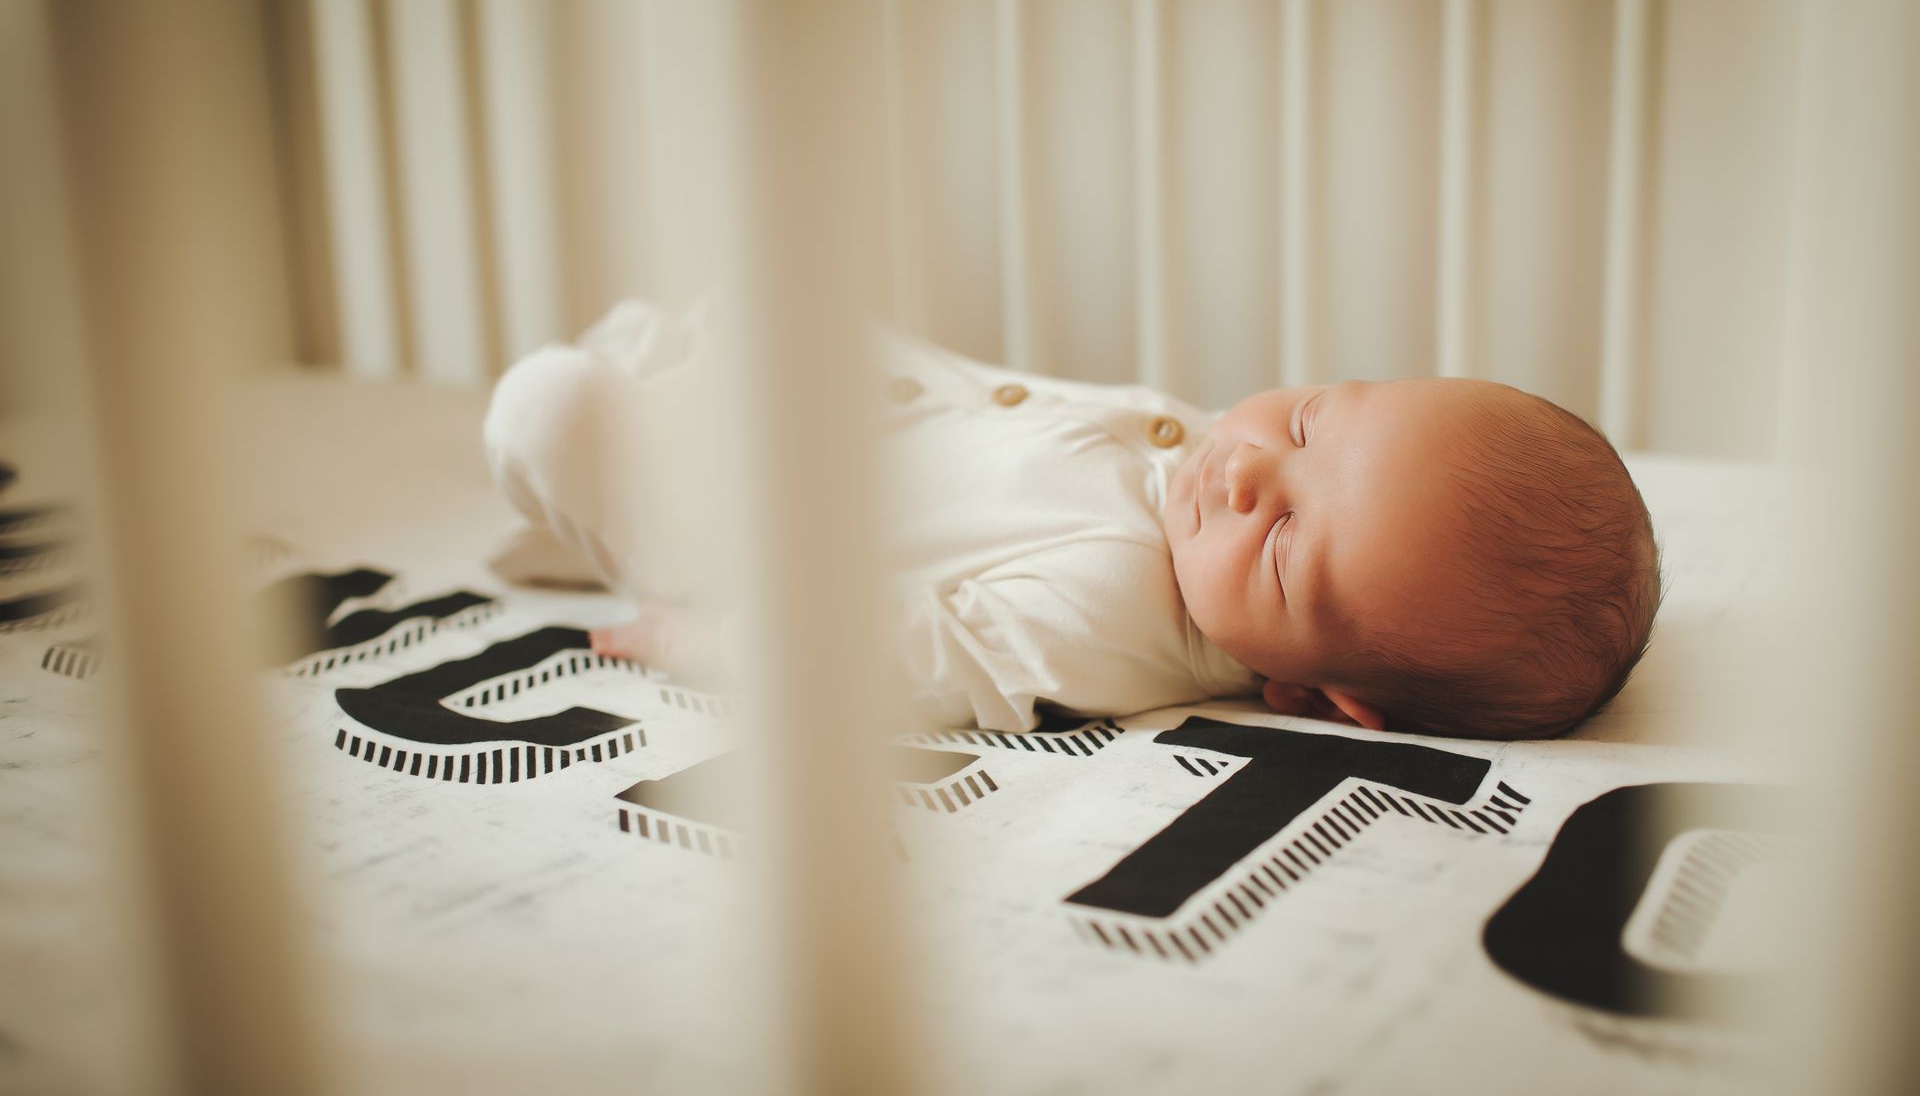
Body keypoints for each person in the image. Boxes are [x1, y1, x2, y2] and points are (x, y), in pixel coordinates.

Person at [484, 300, 1660, 741]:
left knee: (551, 405)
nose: (1251, 471)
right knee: (679, 323)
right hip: (822, 413)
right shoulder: (1213, 485)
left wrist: (718, 642)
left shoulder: (1109, 617)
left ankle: (605, 518)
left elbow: (906, 660)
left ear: (1317, 693)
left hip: (746, 528)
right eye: (1308, 422)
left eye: (1293, 544)